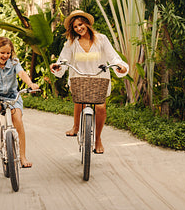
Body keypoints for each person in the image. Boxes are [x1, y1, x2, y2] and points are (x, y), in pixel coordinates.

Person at [50, 10, 128, 154]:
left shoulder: (101, 39)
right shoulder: (71, 43)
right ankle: (75, 127)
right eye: (75, 27)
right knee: (79, 99)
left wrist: (120, 66)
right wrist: (57, 66)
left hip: (99, 78)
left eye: (80, 24)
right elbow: (63, 59)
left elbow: (113, 57)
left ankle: (98, 139)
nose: (79, 28)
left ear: (86, 23)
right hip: (79, 78)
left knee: (100, 108)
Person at [0, 36, 39, 168]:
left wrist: (31, 84)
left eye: (8, 53)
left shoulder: (14, 63)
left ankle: (22, 157)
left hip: (13, 96)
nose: (5, 55)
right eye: (2, 53)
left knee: (18, 121)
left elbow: (22, 74)